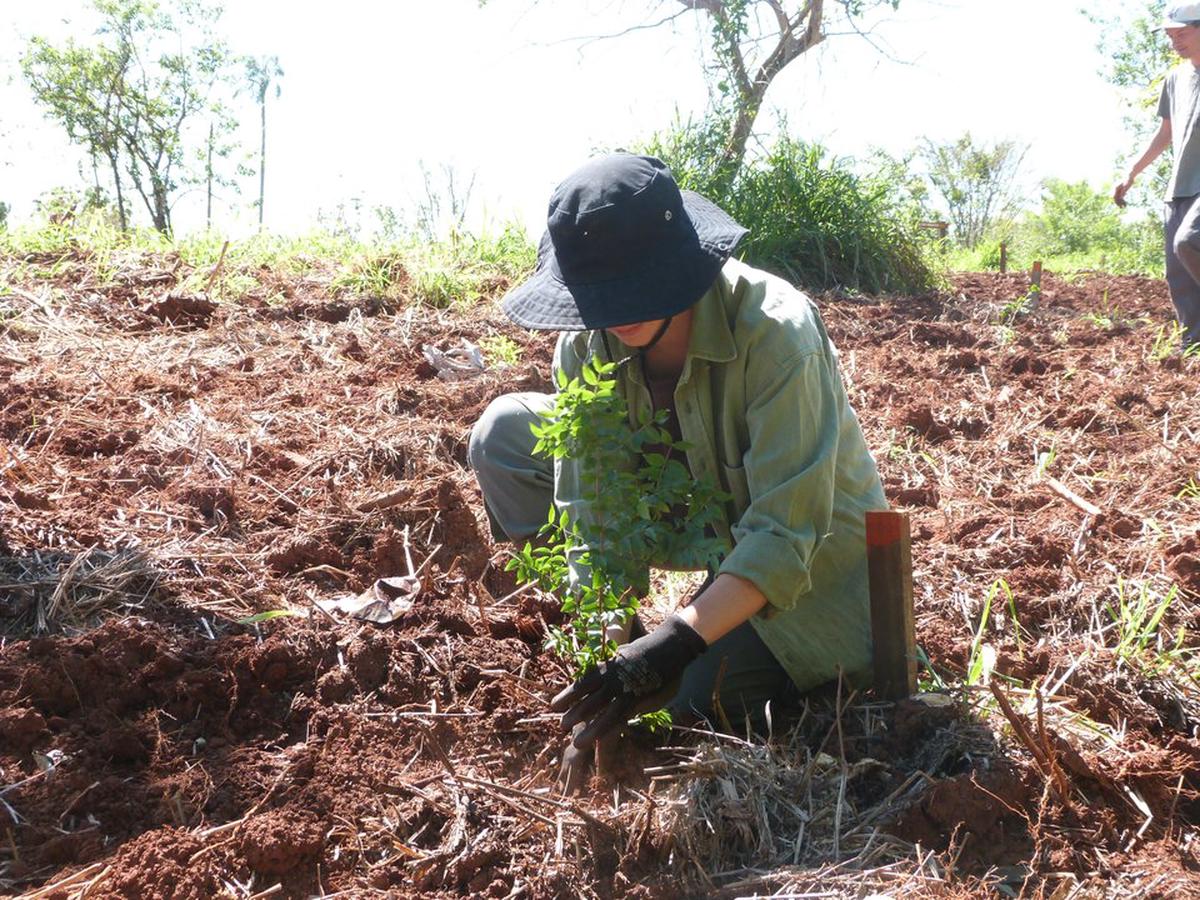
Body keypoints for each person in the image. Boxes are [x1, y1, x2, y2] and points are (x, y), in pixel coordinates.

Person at [467, 152, 887, 789]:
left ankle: (701, 649)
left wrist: (676, 643)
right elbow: (591, 513)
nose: (617, 310)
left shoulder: (777, 333)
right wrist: (615, 645)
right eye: (600, 296)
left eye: (636, 286)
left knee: (686, 710)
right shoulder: (586, 344)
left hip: (811, 557)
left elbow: (783, 536)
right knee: (503, 431)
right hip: (692, 517)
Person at [1113, 2, 1200, 350]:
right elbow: (1165, 132)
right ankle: (1193, 347)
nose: (1173, 42)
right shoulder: (1176, 78)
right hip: (1180, 185)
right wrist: (1132, 171)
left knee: (1189, 242)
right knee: (1177, 275)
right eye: (1169, 36)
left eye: (1181, 34)